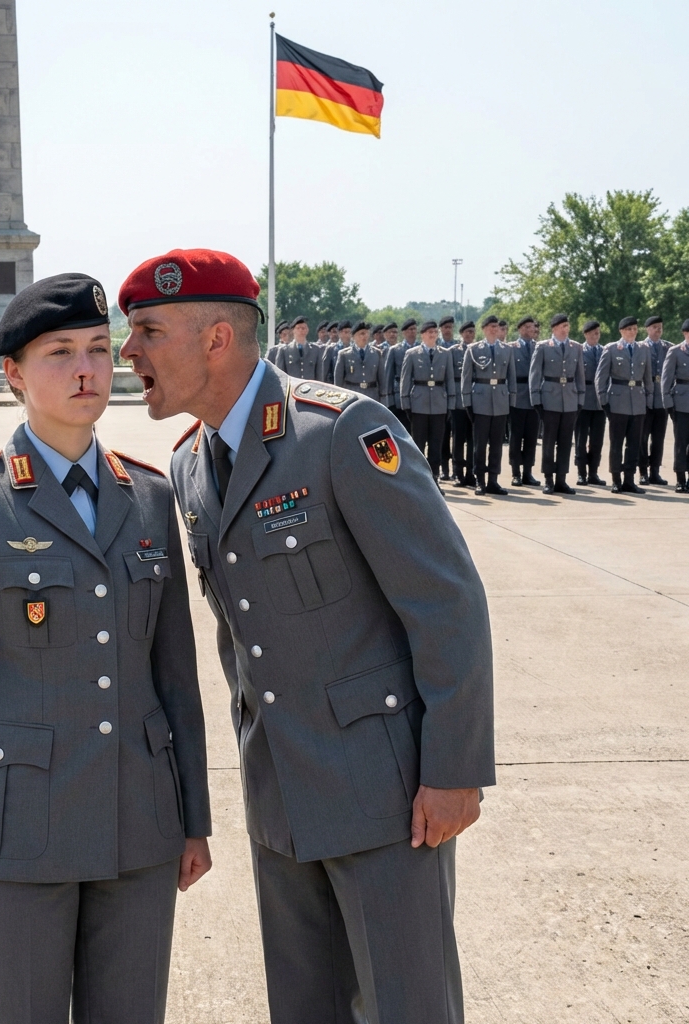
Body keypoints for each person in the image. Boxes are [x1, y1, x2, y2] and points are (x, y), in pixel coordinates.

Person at [118, 248, 494, 1024]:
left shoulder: (340, 433)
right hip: (280, 792)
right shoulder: (191, 463)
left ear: (216, 338)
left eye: (148, 332)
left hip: (386, 793)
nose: (129, 353)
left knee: (407, 1005)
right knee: (305, 1005)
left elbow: (446, 602)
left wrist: (454, 769)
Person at [0, 273, 211, 1024]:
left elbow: (175, 674)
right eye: (61, 352)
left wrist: (192, 817)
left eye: (101, 350)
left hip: (137, 825)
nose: (87, 369)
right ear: (14, 374)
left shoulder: (148, 495)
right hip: (16, 837)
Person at [595, 316, 652, 494]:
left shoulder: (643, 349)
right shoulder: (611, 349)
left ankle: (629, 479)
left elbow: (647, 378)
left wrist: (648, 400)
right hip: (617, 401)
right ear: (621, 331)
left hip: (638, 402)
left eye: (635, 329)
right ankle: (616, 479)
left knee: (634, 444)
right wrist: (604, 401)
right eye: (628, 329)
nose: (632, 332)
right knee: (616, 443)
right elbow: (601, 378)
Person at [529, 313, 584, 495]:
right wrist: (536, 399)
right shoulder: (543, 347)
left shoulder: (575, 347)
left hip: (569, 399)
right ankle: (548, 479)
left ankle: (562, 479)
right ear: (554, 329)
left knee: (566, 442)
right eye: (562, 326)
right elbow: (535, 375)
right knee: (549, 441)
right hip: (549, 399)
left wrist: (580, 399)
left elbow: (579, 376)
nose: (565, 329)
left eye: (567, 326)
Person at [461, 315, 516, 495]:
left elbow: (511, 378)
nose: (494, 329)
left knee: (497, 444)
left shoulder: (506, 350)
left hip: (500, 399)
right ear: (484, 329)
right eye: (491, 326)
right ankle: (480, 480)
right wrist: (467, 402)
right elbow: (466, 378)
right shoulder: (473, 349)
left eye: (496, 326)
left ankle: (493, 480)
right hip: (481, 399)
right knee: (480, 444)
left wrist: (511, 401)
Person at [399, 319, 456, 486]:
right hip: (419, 403)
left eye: (434, 332)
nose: (432, 335)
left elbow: (450, 380)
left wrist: (450, 404)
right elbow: (405, 380)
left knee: (436, 445)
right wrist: (406, 404)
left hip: (439, 404)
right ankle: (417, 480)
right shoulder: (412, 354)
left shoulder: (445, 354)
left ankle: (434, 480)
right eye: (429, 332)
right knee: (418, 444)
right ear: (422, 335)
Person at [508, 315, 540, 486]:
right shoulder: (511, 348)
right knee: (516, 436)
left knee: (531, 437)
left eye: (532, 327)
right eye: (526, 327)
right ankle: (516, 472)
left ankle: (528, 472)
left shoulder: (539, 347)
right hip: (517, 395)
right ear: (520, 329)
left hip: (534, 397)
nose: (530, 330)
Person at [639, 315, 670, 485]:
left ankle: (655, 471)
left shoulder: (668, 348)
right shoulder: (640, 347)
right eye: (655, 327)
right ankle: (642, 471)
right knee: (642, 438)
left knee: (658, 438)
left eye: (660, 327)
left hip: (661, 398)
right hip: (644, 397)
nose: (658, 330)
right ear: (647, 329)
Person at [575, 320, 607, 485]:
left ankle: (593, 473)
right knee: (580, 439)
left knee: (597, 440)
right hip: (583, 399)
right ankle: (581, 473)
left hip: (599, 402)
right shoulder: (579, 351)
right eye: (593, 333)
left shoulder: (604, 351)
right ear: (586, 334)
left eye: (598, 333)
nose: (596, 335)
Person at [661, 319, 689, 492]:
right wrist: (668, 404)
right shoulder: (675, 352)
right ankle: (680, 478)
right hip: (681, 402)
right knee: (681, 442)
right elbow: (666, 380)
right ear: (685, 334)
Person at [450, 320, 476, 487]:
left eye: (472, 332)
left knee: (474, 439)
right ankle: (457, 472)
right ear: (461, 334)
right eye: (466, 332)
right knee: (458, 439)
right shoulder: (453, 351)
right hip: (459, 401)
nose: (469, 335)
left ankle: (471, 473)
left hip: (475, 400)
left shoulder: (478, 350)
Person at [333, 321, 386, 400]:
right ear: (353, 336)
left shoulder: (377, 353)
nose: (365, 336)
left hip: (371, 396)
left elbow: (382, 380)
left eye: (367, 333)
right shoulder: (344, 354)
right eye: (362, 333)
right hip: (352, 395)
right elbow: (338, 381)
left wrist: (383, 398)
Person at [387, 318, 417, 428]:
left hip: (418, 395)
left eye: (414, 329)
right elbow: (388, 377)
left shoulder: (421, 349)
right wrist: (389, 401)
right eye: (409, 329)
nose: (412, 332)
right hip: (398, 395)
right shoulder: (395, 350)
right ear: (403, 332)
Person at [275, 316, 323, 380]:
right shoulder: (284, 351)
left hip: (310, 387)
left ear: (307, 330)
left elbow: (319, 375)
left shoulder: (315, 350)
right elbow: (280, 375)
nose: (301, 330)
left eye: (303, 328)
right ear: (293, 330)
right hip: (292, 388)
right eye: (298, 328)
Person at [438, 316, 456, 480]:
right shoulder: (437, 347)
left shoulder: (457, 347)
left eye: (450, 327)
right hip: (438, 397)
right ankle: (444, 469)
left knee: (455, 436)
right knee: (442, 438)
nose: (448, 330)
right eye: (445, 327)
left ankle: (455, 469)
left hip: (454, 396)